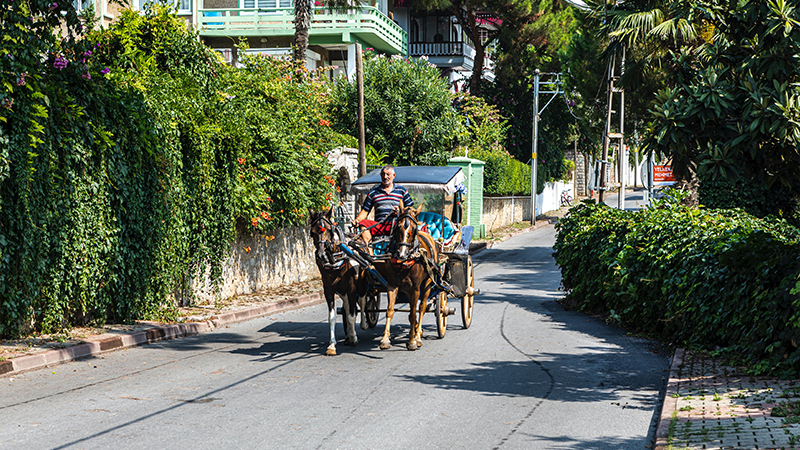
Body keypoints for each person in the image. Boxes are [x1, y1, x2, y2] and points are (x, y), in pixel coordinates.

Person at [352, 165, 413, 246]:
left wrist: (400, 211)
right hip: (379, 225)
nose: (385, 177)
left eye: (388, 174)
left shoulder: (402, 191)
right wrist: (357, 220)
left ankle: (400, 250)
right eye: (383, 174)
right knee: (363, 224)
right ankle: (370, 253)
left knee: (404, 227)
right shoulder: (373, 192)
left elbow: (410, 209)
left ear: (394, 176)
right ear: (380, 175)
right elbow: (365, 210)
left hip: (396, 225)